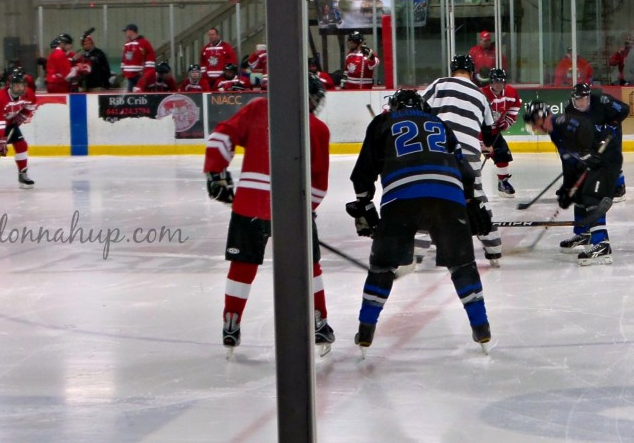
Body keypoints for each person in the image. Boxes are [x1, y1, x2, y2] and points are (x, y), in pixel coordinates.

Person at [348, 89, 493, 356]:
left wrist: (365, 206)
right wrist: (472, 204)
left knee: (382, 268)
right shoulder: (440, 124)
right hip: (449, 196)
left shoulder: (382, 122)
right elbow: (466, 172)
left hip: (401, 198)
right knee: (462, 266)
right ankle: (481, 327)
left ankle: (366, 330)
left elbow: (362, 173)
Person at [204, 74, 334, 358]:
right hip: (293, 212)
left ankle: (231, 321)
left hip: (250, 204)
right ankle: (319, 321)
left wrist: (216, 173)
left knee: (242, 266)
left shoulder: (259, 108)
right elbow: (319, 183)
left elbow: (221, 137)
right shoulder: (318, 128)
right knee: (309, 267)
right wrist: (306, 210)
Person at [421, 54, 504, 268]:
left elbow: (419, 111)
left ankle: (415, 254)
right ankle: (494, 250)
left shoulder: (439, 84)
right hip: (468, 152)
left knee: (428, 195)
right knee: (475, 196)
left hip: (438, 149)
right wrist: (487, 146)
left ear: (452, 70)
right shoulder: (480, 94)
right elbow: (488, 132)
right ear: (472, 72)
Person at [523, 102, 617, 266]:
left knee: (591, 196)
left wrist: (589, 152)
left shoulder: (562, 121)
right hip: (591, 162)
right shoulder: (554, 133)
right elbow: (568, 161)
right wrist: (567, 188)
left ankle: (602, 245)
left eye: (534, 123)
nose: (535, 128)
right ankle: (584, 234)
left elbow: (586, 127)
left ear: (540, 117)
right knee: (578, 193)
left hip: (604, 159)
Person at [566, 83, 629, 209]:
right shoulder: (570, 110)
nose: (581, 103)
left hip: (610, 134)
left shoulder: (603, 101)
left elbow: (625, 109)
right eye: (578, 100)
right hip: (590, 136)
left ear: (588, 97)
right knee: (592, 161)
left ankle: (619, 186)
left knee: (611, 160)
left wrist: (613, 124)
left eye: (583, 99)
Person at [0, 71, 37, 193]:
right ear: (10, 85)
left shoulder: (29, 94)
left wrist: (20, 118)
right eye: (17, 85)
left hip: (9, 119)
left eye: (22, 85)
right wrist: (1, 140)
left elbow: (29, 107)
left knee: (21, 145)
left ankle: (23, 174)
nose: (21, 88)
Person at [480, 68, 523, 198]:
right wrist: (482, 142)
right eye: (495, 81)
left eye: (501, 81)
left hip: (495, 131)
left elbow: (516, 106)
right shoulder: (482, 94)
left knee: (503, 154)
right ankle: (468, 183)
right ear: (490, 81)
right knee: (471, 157)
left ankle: (502, 182)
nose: (498, 84)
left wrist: (508, 121)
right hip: (479, 130)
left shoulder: (510, 92)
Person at [121, 23, 156, 92]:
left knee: (141, 94)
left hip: (140, 75)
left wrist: (147, 72)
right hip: (128, 76)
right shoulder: (127, 44)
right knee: (130, 95)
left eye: (127, 31)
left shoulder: (144, 42)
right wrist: (123, 71)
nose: (126, 33)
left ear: (131, 31)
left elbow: (151, 58)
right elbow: (124, 59)